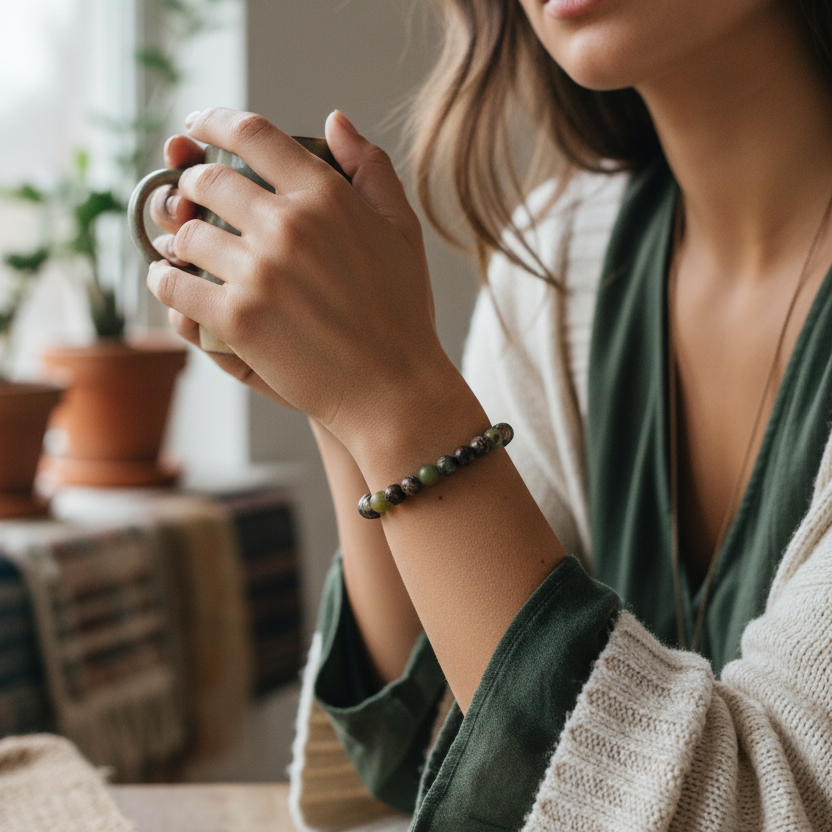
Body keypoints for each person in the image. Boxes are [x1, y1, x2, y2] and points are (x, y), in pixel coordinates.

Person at [146, 0, 832, 828]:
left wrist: (392, 395)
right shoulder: (561, 260)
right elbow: (450, 756)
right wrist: (337, 399)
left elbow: (762, 809)